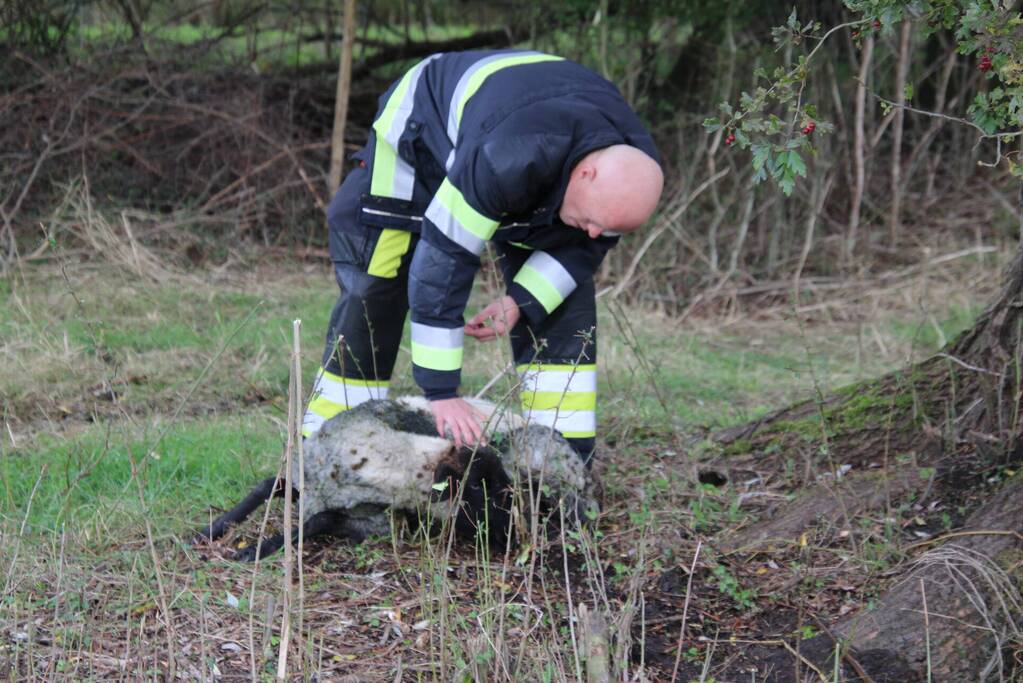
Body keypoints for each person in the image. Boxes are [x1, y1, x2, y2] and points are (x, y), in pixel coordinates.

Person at [302, 49, 664, 465]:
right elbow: (444, 260)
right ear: (586, 173)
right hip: (422, 126)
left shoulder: (627, 174)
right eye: (596, 220)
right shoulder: (505, 158)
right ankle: (327, 450)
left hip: (526, 125)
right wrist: (441, 394)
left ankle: (561, 466)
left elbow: (583, 248)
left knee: (563, 297)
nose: (598, 233)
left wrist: (520, 302)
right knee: (377, 281)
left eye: (610, 228)